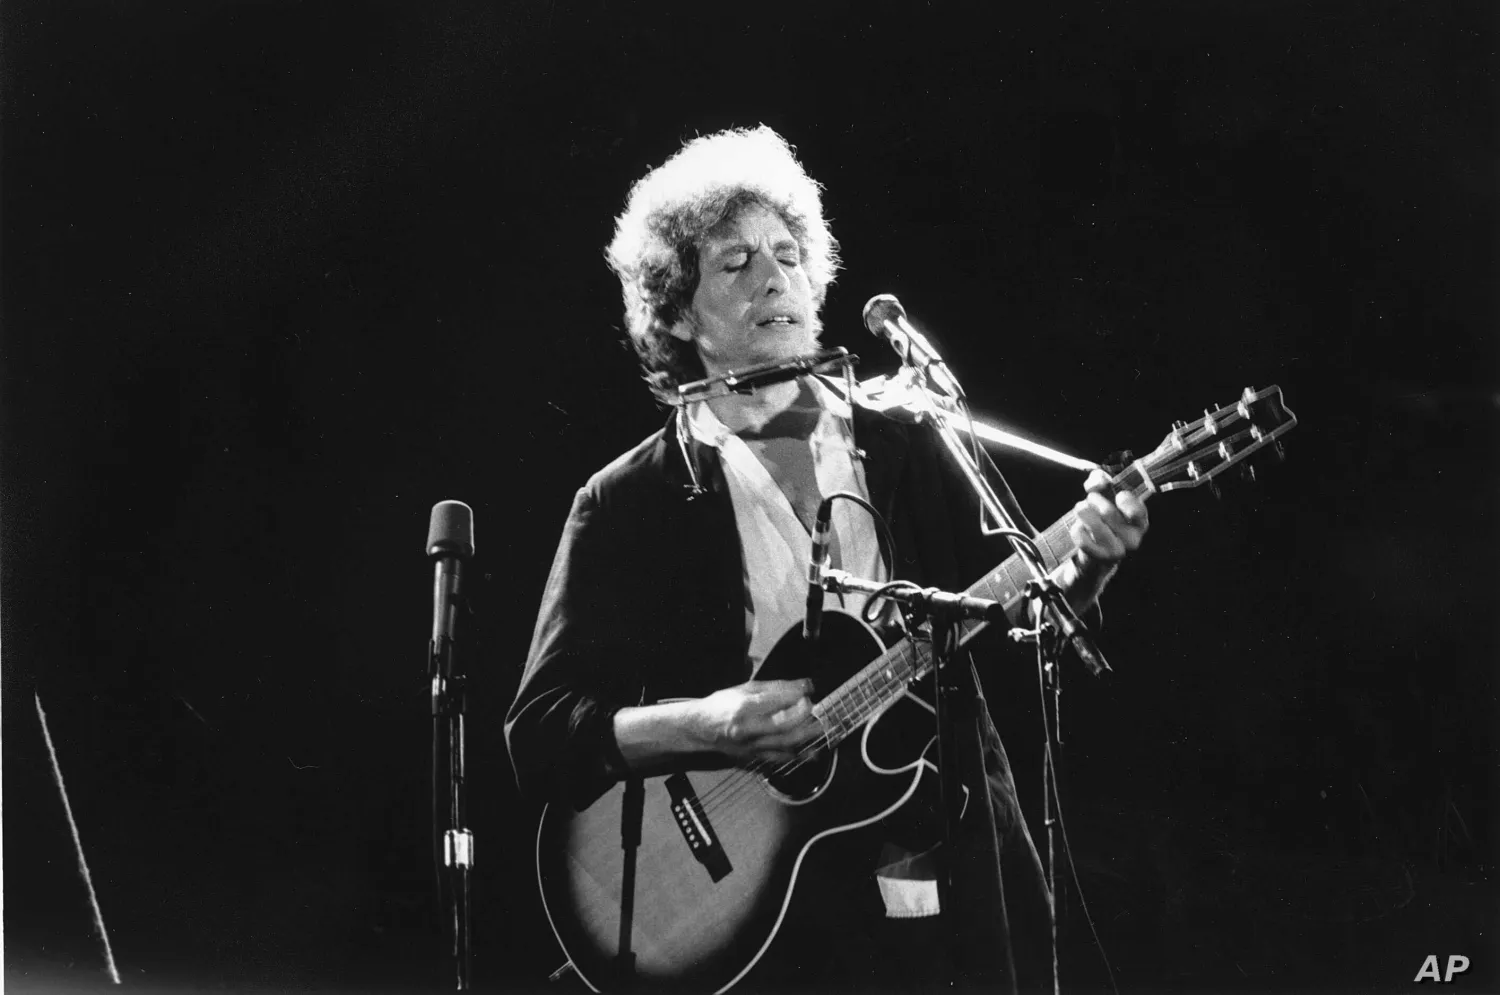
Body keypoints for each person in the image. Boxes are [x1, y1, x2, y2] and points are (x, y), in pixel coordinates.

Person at [505, 125, 1149, 993]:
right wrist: (709, 724)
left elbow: (1012, 632)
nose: (774, 277)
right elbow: (541, 732)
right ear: (676, 310)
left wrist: (1083, 569)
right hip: (758, 916)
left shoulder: (911, 442)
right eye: (734, 262)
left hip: (938, 863)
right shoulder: (628, 498)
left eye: (788, 254)